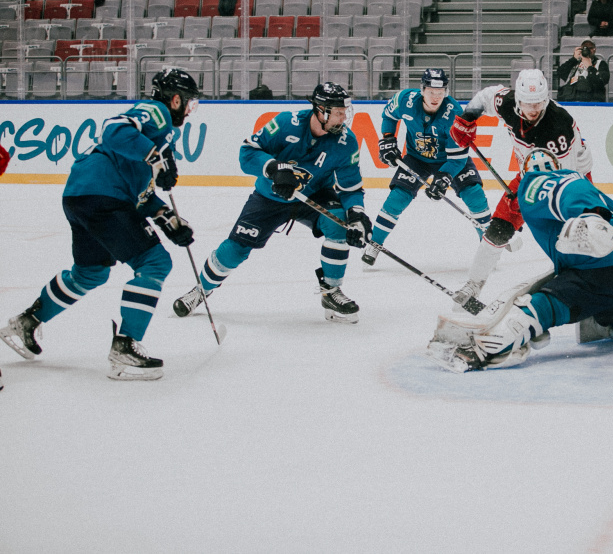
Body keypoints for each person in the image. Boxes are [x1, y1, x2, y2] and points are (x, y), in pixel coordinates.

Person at [1, 69, 199, 381]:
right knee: (155, 262)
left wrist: (169, 220)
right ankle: (125, 346)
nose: (189, 110)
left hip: (82, 195)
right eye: (189, 103)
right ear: (176, 99)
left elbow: (141, 196)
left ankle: (27, 322)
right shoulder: (157, 113)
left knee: (90, 273)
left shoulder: (153, 142)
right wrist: (155, 156)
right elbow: (113, 129)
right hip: (103, 195)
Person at [441, 148, 613, 371]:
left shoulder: (530, 185)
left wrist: (590, 218)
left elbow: (562, 194)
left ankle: (485, 350)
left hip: (598, 274)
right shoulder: (577, 177)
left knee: (538, 307)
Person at [172, 83, 371, 324]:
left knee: (339, 224)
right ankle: (201, 289)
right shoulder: (287, 123)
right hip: (270, 197)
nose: (343, 117)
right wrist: (274, 168)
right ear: (321, 110)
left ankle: (331, 291)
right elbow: (247, 152)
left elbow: (351, 187)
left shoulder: (346, 142)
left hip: (314, 195)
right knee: (235, 250)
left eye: (344, 112)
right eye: (338, 112)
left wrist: (357, 215)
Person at [447, 69, 593, 307]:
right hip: (529, 175)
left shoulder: (559, 125)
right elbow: (485, 97)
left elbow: (564, 181)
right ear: (518, 100)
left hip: (570, 180)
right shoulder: (507, 103)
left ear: (545, 99)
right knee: (498, 229)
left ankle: (590, 278)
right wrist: (466, 119)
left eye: (538, 103)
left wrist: (533, 203)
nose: (533, 109)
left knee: (573, 235)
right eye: (527, 103)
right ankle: (473, 285)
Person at [361, 69, 491, 265]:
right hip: (417, 158)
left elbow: (457, 159)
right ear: (422, 90)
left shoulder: (455, 113)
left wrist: (445, 177)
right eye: (431, 92)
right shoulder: (405, 100)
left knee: (474, 195)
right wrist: (388, 139)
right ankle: (375, 243)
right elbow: (389, 115)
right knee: (397, 198)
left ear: (446, 92)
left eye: (440, 92)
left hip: (449, 160)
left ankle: (489, 248)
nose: (435, 97)